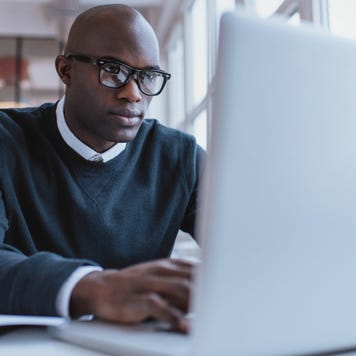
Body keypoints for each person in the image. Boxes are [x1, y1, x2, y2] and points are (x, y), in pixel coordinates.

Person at [0, 4, 204, 333]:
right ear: (66, 71)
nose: (133, 94)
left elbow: (253, 248)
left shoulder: (180, 158)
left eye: (148, 76)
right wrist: (95, 288)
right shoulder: (6, 142)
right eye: (113, 70)